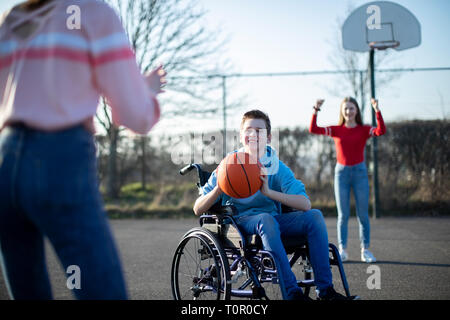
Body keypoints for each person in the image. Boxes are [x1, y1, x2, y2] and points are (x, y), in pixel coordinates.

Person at [0, 0, 166, 299]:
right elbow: (133, 114)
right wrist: (146, 91)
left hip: (4, 160)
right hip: (59, 157)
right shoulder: (93, 12)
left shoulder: (10, 20)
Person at [194, 109, 355, 300]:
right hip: (239, 224)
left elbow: (305, 204)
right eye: (249, 130)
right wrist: (219, 189)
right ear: (241, 136)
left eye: (259, 131)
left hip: (273, 222)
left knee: (315, 216)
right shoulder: (228, 166)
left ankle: (326, 291)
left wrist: (269, 192)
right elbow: (198, 208)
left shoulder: (276, 167)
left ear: (268, 138)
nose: (253, 134)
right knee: (266, 219)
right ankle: (292, 293)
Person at [309, 97, 386, 263]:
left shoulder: (364, 129)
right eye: (345, 109)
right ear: (342, 111)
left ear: (356, 110)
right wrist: (316, 109)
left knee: (363, 215)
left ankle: (365, 250)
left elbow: (381, 131)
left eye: (351, 108)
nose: (348, 112)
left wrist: (377, 110)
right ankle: (342, 250)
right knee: (343, 215)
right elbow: (313, 129)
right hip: (341, 174)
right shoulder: (336, 130)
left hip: (360, 173)